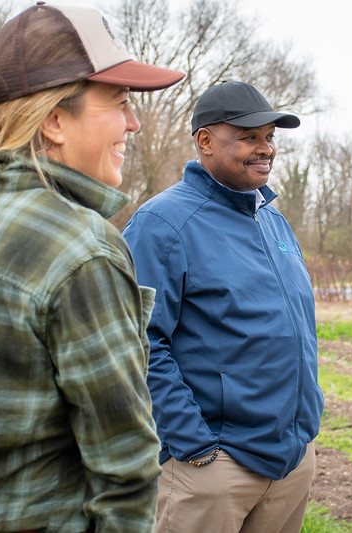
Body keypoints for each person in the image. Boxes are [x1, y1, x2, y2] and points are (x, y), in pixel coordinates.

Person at [0, 3, 184, 532]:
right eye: (118, 103)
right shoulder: (81, 247)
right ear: (54, 121)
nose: (133, 123)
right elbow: (127, 468)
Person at [122, 81, 324, 533]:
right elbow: (137, 342)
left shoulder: (272, 219)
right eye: (249, 137)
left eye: (270, 137)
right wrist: (193, 444)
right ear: (206, 141)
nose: (265, 148)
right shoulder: (162, 225)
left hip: (290, 461)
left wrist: (306, 426)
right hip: (213, 469)